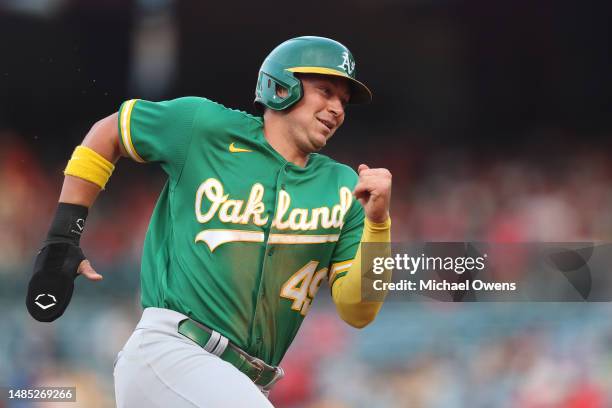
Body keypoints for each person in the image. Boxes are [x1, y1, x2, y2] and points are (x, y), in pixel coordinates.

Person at [26, 36, 392, 407]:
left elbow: (357, 311)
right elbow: (110, 132)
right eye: (325, 91)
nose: (336, 109)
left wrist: (378, 224)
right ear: (281, 86)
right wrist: (63, 235)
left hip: (242, 383)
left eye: (343, 101)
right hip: (172, 353)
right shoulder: (205, 127)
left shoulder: (344, 186)